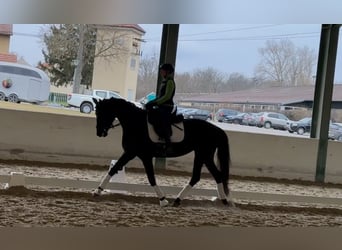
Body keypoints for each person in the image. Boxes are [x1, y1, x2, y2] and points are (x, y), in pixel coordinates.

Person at [145, 63, 176, 147]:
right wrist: (151, 102)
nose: (161, 72)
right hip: (161, 106)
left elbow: (167, 96)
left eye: (162, 71)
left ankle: (167, 141)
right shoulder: (164, 82)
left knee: (162, 120)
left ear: (168, 71)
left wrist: (156, 103)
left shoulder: (170, 82)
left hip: (167, 107)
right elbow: (159, 96)